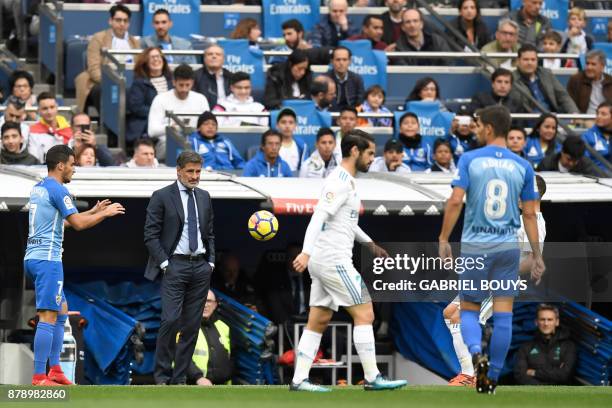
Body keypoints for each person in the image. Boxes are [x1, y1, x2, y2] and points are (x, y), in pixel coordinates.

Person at [290, 129, 408, 392]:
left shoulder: (348, 181)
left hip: (325, 259)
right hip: (333, 259)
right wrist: (306, 252)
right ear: (354, 151)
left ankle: (299, 379)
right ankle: (372, 377)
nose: (371, 159)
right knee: (366, 311)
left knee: (318, 320)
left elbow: (346, 222)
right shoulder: (339, 181)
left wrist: (369, 244)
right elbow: (318, 217)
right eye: (369, 154)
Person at [438, 105, 544, 394]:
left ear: (487, 127)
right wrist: (538, 255)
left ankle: (474, 356)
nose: (476, 128)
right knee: (504, 316)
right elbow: (531, 215)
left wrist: (444, 237)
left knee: (467, 312)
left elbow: (456, 200)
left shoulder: (470, 159)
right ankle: (492, 375)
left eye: (478, 123)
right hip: (507, 249)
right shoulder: (523, 166)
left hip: (476, 247)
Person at [25, 144, 124, 385]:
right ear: (60, 165)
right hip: (48, 261)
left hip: (34, 258)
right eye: (72, 164)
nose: (74, 169)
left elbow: (63, 224)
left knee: (61, 313)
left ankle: (56, 370)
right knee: (47, 316)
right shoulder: (58, 190)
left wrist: (92, 211)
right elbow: (78, 225)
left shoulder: (39, 188)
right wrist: (104, 214)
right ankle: (39, 376)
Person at [443, 173, 547, 387]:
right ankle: (469, 373)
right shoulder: (518, 218)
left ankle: (470, 376)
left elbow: (531, 260)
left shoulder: (536, 222)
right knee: (449, 313)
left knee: (461, 318)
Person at [144, 151, 216, 385]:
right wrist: (166, 264)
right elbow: (150, 235)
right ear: (179, 171)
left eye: (198, 171)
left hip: (200, 267)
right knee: (170, 321)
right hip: (175, 265)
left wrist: (211, 262)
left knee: (192, 326)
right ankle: (162, 376)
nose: (195, 176)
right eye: (190, 171)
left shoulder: (204, 197)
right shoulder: (162, 196)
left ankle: (179, 379)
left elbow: (210, 233)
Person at [75, 4, 139, 113]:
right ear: (110, 21)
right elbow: (94, 69)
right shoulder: (98, 38)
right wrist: (113, 82)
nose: (122, 24)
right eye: (118, 20)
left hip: (128, 83)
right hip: (101, 82)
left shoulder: (134, 42)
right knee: (102, 90)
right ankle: (108, 125)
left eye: (125, 21)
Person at [148, 64, 210, 160]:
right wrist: (170, 128)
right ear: (174, 82)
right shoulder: (160, 99)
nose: (184, 89)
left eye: (187, 85)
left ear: (192, 83)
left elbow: (207, 125)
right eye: (181, 85)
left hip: (196, 141)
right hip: (167, 143)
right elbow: (152, 131)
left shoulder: (201, 99)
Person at [514, 304, 576, 385]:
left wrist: (534, 373)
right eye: (542, 319)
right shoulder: (526, 348)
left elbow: (564, 375)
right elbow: (520, 376)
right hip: (533, 395)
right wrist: (542, 388)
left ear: (557, 322)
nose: (546, 323)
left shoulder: (568, 346)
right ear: (536, 322)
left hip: (559, 396)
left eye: (550, 320)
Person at [512, 44, 579, 114]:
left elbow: (563, 96)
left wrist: (574, 113)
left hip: (552, 117)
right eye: (526, 59)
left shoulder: (546, 73)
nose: (530, 63)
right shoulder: (512, 79)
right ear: (518, 61)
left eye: (533, 60)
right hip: (528, 120)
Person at [127, 47, 173, 144]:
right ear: (145, 62)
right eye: (152, 57)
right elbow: (136, 107)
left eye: (158, 56)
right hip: (148, 124)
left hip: (172, 121)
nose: (156, 59)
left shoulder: (172, 81)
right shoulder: (139, 83)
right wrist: (158, 113)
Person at [186, 291, 232, 386]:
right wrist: (198, 378)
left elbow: (232, 356)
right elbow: (181, 356)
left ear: (215, 305)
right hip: (194, 386)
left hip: (223, 388)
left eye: (209, 301)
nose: (205, 305)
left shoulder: (224, 327)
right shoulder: (185, 326)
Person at [28, 93, 73, 164]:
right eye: (45, 108)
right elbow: (34, 158)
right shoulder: (33, 131)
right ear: (39, 110)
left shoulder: (68, 128)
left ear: (57, 107)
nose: (49, 112)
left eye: (52, 107)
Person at [566, 50, 612, 115]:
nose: (589, 67)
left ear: (602, 66)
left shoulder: (610, 81)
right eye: (587, 64)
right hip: (585, 119)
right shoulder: (576, 80)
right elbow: (569, 103)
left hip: (608, 119)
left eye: (593, 64)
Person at [537, 136, 607, 177]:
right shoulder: (546, 164)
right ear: (562, 151)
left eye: (575, 160)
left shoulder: (587, 165)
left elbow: (602, 178)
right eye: (569, 159)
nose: (571, 163)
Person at [326, 46, 365, 111]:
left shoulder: (357, 79)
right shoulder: (324, 79)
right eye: (338, 60)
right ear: (332, 61)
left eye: (344, 60)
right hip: (330, 115)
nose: (341, 63)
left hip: (352, 116)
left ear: (349, 61)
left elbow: (360, 103)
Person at [582, 102, 612, 170]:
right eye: (597, 113)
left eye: (603, 114)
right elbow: (585, 161)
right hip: (597, 177)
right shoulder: (587, 136)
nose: (598, 116)